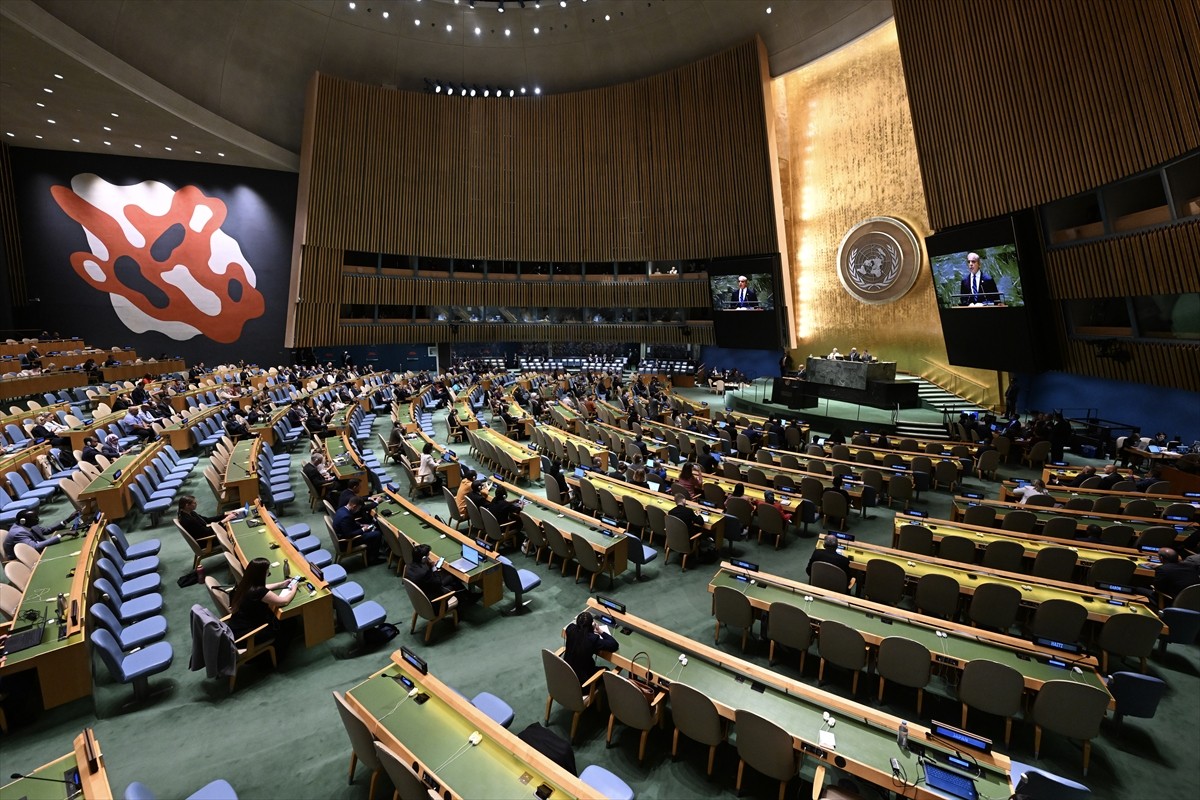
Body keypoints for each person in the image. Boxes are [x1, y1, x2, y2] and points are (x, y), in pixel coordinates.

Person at [226, 557, 300, 640]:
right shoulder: (259, 591)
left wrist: (281, 584)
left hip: (236, 627)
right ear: (262, 573)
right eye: (267, 570)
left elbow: (263, 587)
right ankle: (278, 650)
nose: (268, 572)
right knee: (291, 623)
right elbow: (284, 601)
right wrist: (294, 588)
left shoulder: (244, 584)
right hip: (248, 635)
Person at [562, 610, 619, 683]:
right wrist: (600, 631)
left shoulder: (570, 629)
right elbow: (614, 645)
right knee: (606, 670)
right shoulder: (592, 639)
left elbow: (574, 627)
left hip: (566, 674)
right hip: (582, 683)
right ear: (592, 625)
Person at [3, 509, 79, 561]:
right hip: (23, 558)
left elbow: (47, 530)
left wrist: (68, 520)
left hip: (38, 548)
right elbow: (35, 546)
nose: (38, 519)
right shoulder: (18, 533)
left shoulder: (29, 524)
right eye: (35, 518)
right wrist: (62, 534)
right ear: (23, 521)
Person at [332, 495, 382, 563]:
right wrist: (363, 530)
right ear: (354, 506)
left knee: (371, 529)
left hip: (343, 535)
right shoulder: (346, 516)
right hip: (347, 542)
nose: (358, 510)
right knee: (377, 534)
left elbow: (351, 523)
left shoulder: (342, 509)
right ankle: (373, 559)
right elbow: (349, 535)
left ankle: (373, 552)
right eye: (358, 508)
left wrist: (361, 525)